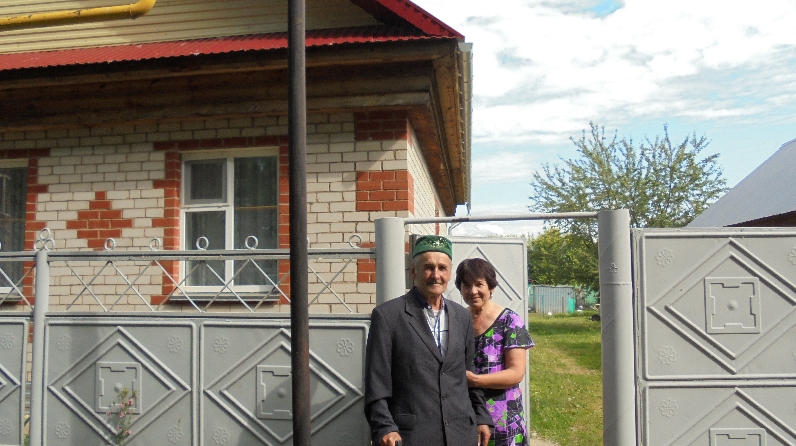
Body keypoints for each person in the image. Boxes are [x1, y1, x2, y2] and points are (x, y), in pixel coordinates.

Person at [365, 235, 493, 446]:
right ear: (413, 272)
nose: (436, 275)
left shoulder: (462, 316)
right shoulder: (388, 316)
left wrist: (481, 416)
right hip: (412, 436)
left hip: (461, 433)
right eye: (428, 268)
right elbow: (376, 380)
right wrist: (384, 426)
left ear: (449, 273)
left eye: (442, 268)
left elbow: (468, 371)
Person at [455, 258, 534, 446]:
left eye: (479, 284)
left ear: (491, 287)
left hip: (504, 421)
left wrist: (475, 381)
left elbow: (516, 373)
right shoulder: (457, 320)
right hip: (466, 418)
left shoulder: (510, 321)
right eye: (466, 285)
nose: (473, 291)